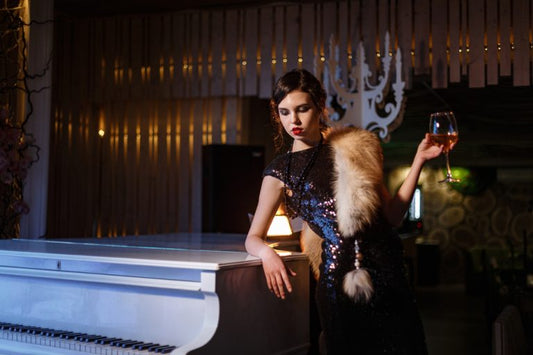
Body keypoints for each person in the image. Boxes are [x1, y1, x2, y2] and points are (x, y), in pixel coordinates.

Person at [245, 68, 443, 354]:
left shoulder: (353, 147)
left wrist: (419, 160)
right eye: (285, 112)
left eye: (302, 109)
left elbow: (393, 215)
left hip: (389, 273)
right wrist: (266, 254)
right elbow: (253, 237)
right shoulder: (279, 172)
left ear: (320, 106)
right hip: (339, 281)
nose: (294, 121)